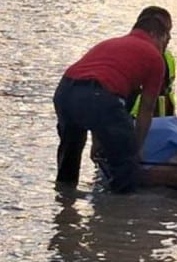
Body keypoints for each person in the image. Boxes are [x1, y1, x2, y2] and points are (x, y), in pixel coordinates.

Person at [53, 14, 169, 193]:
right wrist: (135, 148)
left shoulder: (109, 43)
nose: (165, 46)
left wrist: (98, 143)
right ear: (155, 34)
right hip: (99, 95)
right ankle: (118, 215)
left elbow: (97, 97)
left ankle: (64, 206)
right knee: (125, 166)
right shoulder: (155, 57)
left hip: (65, 91)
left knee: (70, 154)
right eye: (166, 40)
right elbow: (146, 109)